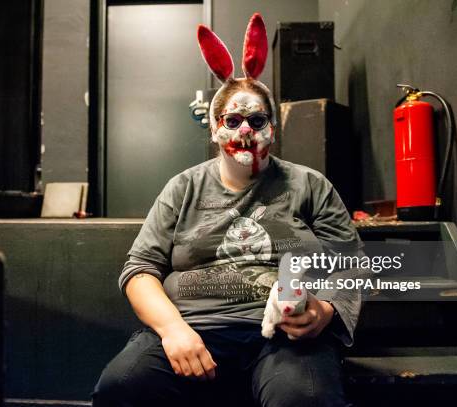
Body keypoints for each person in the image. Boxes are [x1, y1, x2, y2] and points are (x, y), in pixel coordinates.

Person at [91, 13, 362, 407]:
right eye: (233, 120)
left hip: (282, 337)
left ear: (273, 127)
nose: (245, 131)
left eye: (257, 119)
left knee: (303, 399)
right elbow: (139, 270)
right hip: (192, 327)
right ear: (215, 128)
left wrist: (324, 309)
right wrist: (172, 330)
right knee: (123, 387)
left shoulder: (310, 185)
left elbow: (350, 263)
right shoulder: (183, 187)